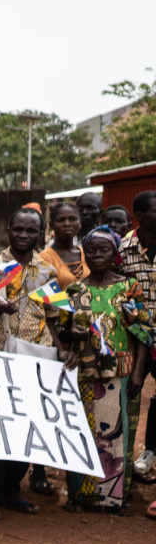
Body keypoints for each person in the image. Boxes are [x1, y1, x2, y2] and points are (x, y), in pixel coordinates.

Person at [0, 207, 58, 525]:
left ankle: (12, 490)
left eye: (31, 231)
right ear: (9, 228)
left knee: (28, 428)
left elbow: (54, 317)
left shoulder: (47, 270)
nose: (23, 236)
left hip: (36, 357)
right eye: (18, 229)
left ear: (40, 233)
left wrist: (62, 350)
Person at [46, 227, 149, 514]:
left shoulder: (129, 287)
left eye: (103, 250)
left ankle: (115, 497)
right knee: (83, 430)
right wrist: (67, 340)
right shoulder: (76, 291)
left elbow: (142, 332)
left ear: (115, 254)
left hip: (120, 371)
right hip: (84, 372)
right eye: (91, 250)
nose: (97, 255)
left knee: (117, 435)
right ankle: (80, 495)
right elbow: (58, 325)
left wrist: (139, 374)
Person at [120, 192, 156, 485]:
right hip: (134, 338)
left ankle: (151, 452)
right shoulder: (123, 249)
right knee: (129, 397)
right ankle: (123, 469)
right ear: (139, 216)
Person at [39, 201, 87, 287]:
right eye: (61, 220)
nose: (67, 224)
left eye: (72, 219)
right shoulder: (43, 259)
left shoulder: (87, 254)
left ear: (80, 223)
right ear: (52, 225)